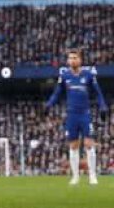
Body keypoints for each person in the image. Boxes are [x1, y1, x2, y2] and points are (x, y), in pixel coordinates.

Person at [46, 50, 107, 186]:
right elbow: (57, 93)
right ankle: (75, 176)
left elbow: (98, 93)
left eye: (75, 58)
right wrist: (49, 104)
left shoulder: (89, 75)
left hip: (84, 114)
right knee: (73, 146)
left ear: (80, 60)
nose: (72, 60)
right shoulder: (65, 76)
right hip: (71, 115)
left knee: (89, 144)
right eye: (70, 58)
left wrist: (103, 106)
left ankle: (92, 176)